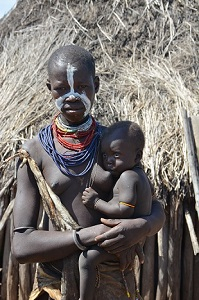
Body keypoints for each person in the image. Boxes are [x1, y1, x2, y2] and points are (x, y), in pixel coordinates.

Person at [12, 44, 165, 300]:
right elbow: (21, 246)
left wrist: (142, 226)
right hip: (55, 284)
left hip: (112, 280)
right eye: (62, 88)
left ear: (96, 85)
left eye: (82, 87)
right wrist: (88, 235)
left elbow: (153, 205)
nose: (72, 96)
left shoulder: (115, 146)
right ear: (49, 89)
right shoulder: (34, 152)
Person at [79, 120, 152, 300]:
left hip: (122, 238)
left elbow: (123, 211)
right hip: (129, 240)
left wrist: (96, 202)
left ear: (137, 156)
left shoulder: (128, 177)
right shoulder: (139, 176)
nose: (109, 160)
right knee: (124, 268)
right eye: (105, 156)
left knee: (86, 260)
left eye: (116, 154)